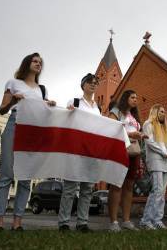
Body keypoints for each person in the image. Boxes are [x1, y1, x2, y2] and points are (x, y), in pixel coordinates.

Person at [0, 53, 55, 231]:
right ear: (27, 63)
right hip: (14, 124)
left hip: (33, 130)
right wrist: (13, 99)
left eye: (40, 63)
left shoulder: (42, 90)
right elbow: (2, 110)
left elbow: (43, 113)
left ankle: (17, 223)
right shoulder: (13, 83)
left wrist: (49, 106)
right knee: (6, 175)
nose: (38, 64)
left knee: (26, 178)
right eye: (35, 61)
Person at [58, 73, 101, 233]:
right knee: (70, 187)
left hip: (91, 151)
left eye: (96, 82)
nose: (93, 84)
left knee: (87, 188)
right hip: (75, 149)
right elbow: (66, 119)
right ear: (83, 85)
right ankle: (63, 222)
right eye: (90, 82)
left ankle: (82, 222)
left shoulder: (98, 107)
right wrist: (68, 112)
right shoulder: (74, 102)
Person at [108, 90, 147, 231]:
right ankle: (113, 222)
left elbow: (134, 131)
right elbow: (111, 127)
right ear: (125, 98)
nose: (135, 99)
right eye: (132, 97)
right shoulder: (116, 111)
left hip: (134, 151)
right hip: (120, 149)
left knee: (129, 185)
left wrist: (141, 135)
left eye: (137, 97)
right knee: (117, 184)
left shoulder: (134, 116)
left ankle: (126, 220)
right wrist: (131, 134)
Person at [139, 104, 167, 230]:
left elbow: (166, 144)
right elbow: (150, 142)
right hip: (155, 160)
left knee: (162, 192)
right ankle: (146, 220)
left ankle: (157, 219)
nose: (164, 114)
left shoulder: (163, 128)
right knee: (156, 190)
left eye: (165, 112)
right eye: (162, 111)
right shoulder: (148, 124)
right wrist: (165, 152)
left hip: (165, 162)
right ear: (155, 112)